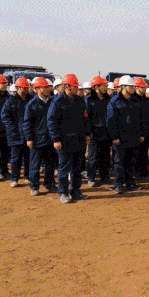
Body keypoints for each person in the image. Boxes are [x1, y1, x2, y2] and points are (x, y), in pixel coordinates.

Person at [48, 73, 92, 203]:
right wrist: (56, 139)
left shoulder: (79, 101)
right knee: (64, 168)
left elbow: (85, 118)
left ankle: (76, 191)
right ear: (67, 86)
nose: (76, 89)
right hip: (64, 141)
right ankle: (63, 193)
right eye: (74, 86)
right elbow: (51, 122)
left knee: (77, 168)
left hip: (79, 140)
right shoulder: (57, 102)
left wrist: (87, 133)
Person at [107, 75, 144, 194]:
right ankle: (118, 185)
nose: (132, 88)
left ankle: (130, 183)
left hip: (133, 136)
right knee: (119, 162)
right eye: (130, 86)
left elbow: (140, 118)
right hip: (120, 138)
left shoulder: (135, 100)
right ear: (123, 87)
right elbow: (110, 121)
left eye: (133, 86)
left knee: (131, 161)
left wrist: (141, 134)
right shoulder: (114, 101)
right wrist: (114, 137)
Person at [24, 77, 58, 196]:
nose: (47, 89)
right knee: (35, 165)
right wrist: (29, 138)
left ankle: (49, 184)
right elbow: (27, 123)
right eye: (44, 87)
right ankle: (34, 186)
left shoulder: (52, 103)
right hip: (37, 140)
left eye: (47, 87)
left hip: (50, 139)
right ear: (37, 89)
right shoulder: (31, 105)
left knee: (50, 164)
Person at [2, 77, 33, 188]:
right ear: (18, 88)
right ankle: (14, 178)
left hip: (28, 134)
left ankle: (27, 176)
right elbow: (5, 116)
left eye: (27, 88)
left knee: (28, 157)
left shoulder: (31, 99)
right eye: (24, 88)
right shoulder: (11, 101)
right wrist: (13, 128)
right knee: (16, 158)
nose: (27, 89)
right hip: (16, 135)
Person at [84, 76, 113, 187]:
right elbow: (86, 118)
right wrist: (88, 132)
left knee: (105, 156)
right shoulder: (88, 99)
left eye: (106, 85)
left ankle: (104, 177)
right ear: (96, 87)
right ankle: (91, 177)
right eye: (103, 85)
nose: (106, 87)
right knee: (93, 156)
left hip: (105, 131)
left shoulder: (108, 98)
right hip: (94, 132)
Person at [134, 77, 149, 182]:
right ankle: (137, 172)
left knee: (144, 153)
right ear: (137, 88)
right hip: (138, 131)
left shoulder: (146, 100)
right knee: (137, 153)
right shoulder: (133, 100)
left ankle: (144, 171)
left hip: (146, 130)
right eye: (142, 87)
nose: (144, 89)